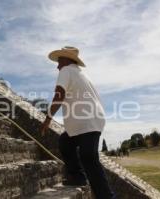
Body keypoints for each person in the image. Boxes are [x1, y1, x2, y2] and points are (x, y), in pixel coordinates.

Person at [40, 46, 115, 199]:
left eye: (60, 60)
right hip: (89, 121)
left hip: (87, 121)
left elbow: (59, 96)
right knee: (65, 142)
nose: (58, 65)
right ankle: (78, 177)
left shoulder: (66, 71)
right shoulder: (81, 74)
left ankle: (106, 197)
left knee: (88, 157)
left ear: (67, 60)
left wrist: (47, 119)